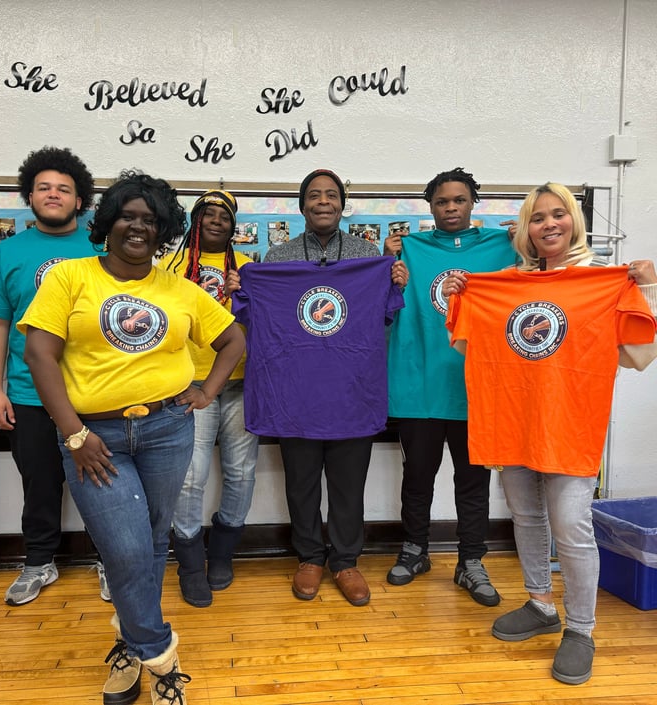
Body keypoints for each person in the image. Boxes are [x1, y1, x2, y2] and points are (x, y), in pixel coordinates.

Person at [19, 170, 245, 705]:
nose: (138, 226)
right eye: (127, 216)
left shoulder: (179, 289)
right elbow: (39, 354)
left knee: (150, 543)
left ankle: (127, 642)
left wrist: (207, 391)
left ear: (163, 230)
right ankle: (162, 658)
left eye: (150, 219)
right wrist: (74, 434)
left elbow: (234, 339)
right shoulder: (70, 277)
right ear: (108, 222)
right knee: (125, 549)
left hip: (168, 430)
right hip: (94, 437)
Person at [444, 182, 657, 685]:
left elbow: (639, 356)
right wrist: (463, 296)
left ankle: (581, 629)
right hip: (515, 421)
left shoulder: (601, 281)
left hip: (569, 424)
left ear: (573, 221)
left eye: (558, 214)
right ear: (526, 229)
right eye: (537, 217)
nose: (548, 224)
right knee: (525, 517)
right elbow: (472, 349)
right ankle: (541, 603)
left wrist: (647, 290)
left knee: (571, 527)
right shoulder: (505, 284)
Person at [229, 168, 408, 607]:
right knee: (301, 483)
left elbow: (384, 314)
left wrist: (392, 281)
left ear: (342, 204)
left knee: (349, 485)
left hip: (352, 391)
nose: (323, 201)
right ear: (302, 205)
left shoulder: (368, 255)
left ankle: (345, 561)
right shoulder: (278, 258)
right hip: (295, 395)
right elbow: (259, 316)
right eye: (314, 195)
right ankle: (309, 556)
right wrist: (243, 289)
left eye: (331, 195)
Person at [0, 146, 109, 606]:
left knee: (104, 482)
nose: (53, 194)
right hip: (29, 396)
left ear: (80, 199)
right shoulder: (9, 252)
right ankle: (38, 562)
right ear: (29, 196)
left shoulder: (101, 249)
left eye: (63, 189)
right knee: (39, 484)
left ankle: (111, 562)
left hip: (93, 394)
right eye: (44, 188)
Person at [383, 167, 517, 606]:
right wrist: (387, 263)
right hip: (419, 386)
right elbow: (386, 303)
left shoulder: (504, 247)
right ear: (431, 207)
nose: (451, 208)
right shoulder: (409, 249)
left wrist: (526, 245)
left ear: (473, 203)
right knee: (417, 478)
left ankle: (471, 561)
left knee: (473, 482)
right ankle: (415, 550)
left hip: (476, 388)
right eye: (442, 201)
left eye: (459, 200)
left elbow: (537, 286)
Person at [162, 190, 258, 608]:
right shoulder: (168, 266)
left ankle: (221, 554)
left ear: (234, 225)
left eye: (224, 215)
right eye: (208, 213)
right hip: (190, 385)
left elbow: (265, 325)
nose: (216, 220)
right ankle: (188, 564)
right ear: (195, 219)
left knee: (241, 473)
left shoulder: (249, 268)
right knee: (189, 477)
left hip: (241, 383)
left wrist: (245, 297)